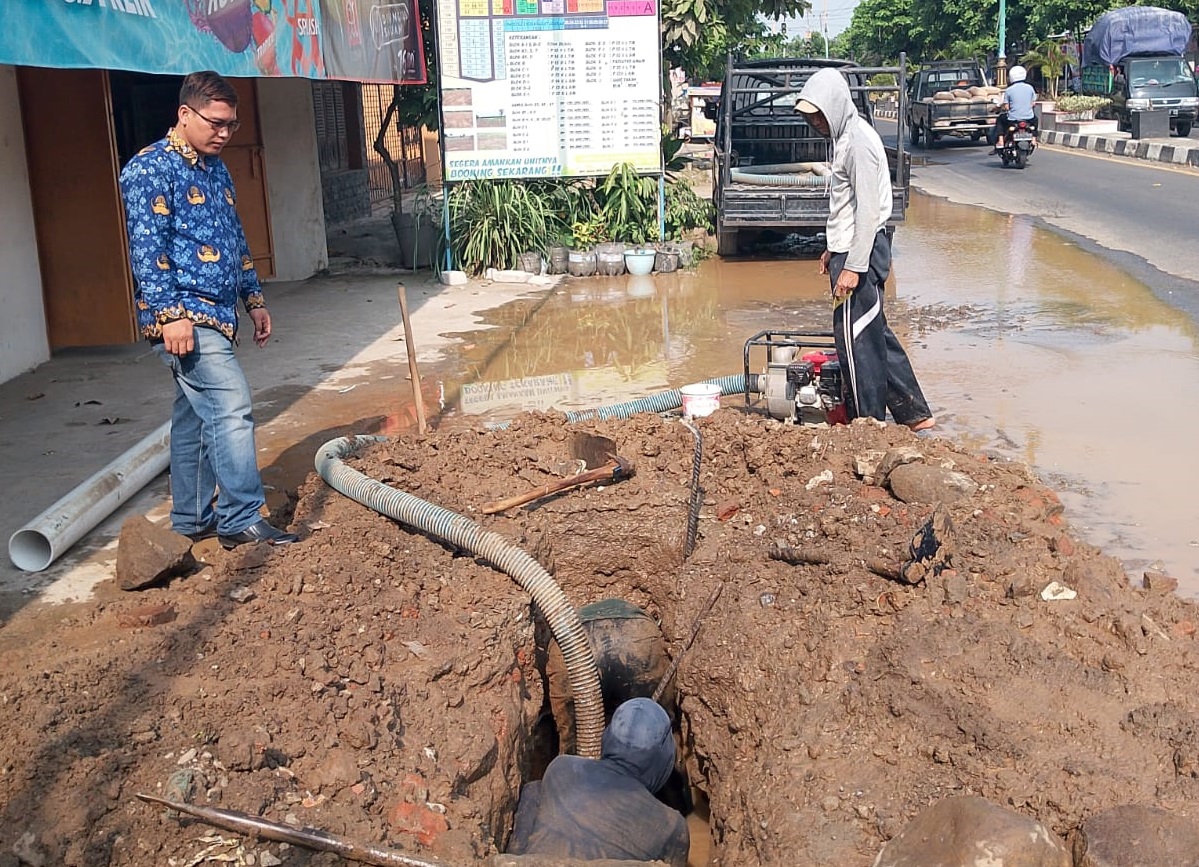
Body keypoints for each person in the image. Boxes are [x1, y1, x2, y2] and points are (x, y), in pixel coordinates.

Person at [119, 71, 298, 550]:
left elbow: (234, 237)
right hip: (184, 316)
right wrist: (169, 313)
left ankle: (192, 517)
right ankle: (239, 517)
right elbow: (146, 248)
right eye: (215, 123)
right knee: (230, 404)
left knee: (195, 416)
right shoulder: (149, 169)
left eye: (231, 125)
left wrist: (253, 299)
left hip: (220, 312)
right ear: (184, 114)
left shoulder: (214, 167)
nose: (224, 133)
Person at [795, 69, 935, 430]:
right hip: (852, 248)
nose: (815, 124)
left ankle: (868, 425)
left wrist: (853, 266)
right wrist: (832, 249)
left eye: (818, 116)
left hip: (863, 251)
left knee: (854, 341)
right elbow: (846, 205)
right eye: (811, 118)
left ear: (836, 107)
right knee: (873, 330)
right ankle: (914, 413)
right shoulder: (845, 138)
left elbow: (869, 211)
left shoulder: (857, 142)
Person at [508, 698, 689, 866]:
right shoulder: (671, 826)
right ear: (664, 757)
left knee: (535, 790)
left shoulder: (561, 767)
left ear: (607, 737)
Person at [992, 64, 1036, 151]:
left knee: (1000, 119)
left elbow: (1006, 106)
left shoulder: (1009, 90)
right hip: (1028, 117)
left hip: (1013, 119)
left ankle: (1001, 140)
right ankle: (1034, 139)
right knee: (1035, 120)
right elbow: (1033, 104)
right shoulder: (1030, 88)